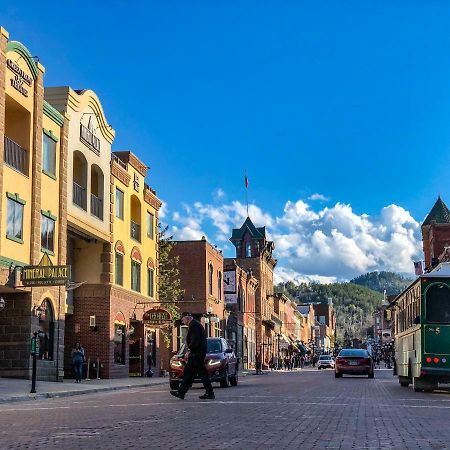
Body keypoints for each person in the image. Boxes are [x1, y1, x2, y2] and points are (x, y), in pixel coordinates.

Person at [170, 313, 215, 400]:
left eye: (183, 320)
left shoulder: (194, 325)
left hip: (196, 354)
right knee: (189, 373)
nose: (183, 322)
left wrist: (190, 351)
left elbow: (195, 341)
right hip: (198, 353)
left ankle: (209, 393)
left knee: (200, 374)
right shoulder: (195, 324)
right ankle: (181, 392)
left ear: (187, 318)